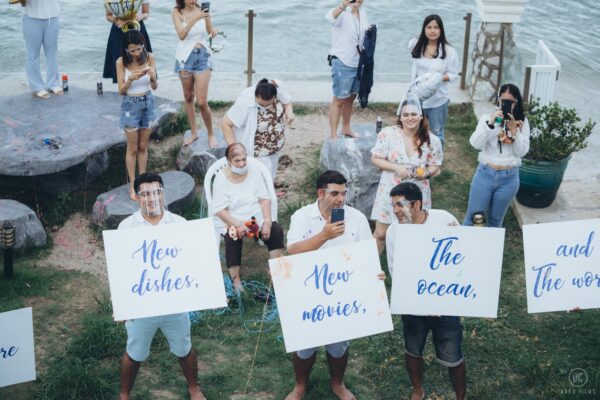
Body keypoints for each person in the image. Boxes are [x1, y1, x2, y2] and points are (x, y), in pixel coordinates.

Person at [285, 170, 376, 400]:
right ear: (320, 192)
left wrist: (373, 275)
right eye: (335, 193)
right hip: (308, 290)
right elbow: (292, 251)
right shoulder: (302, 216)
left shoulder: (357, 219)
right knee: (305, 345)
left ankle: (337, 383)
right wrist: (323, 236)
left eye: (344, 193)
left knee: (338, 344)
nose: (341, 199)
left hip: (342, 292)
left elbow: (367, 257)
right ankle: (300, 386)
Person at [118, 172, 205, 400]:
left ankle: (194, 388)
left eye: (156, 192)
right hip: (141, 304)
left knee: (184, 348)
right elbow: (121, 270)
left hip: (173, 302)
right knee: (134, 352)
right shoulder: (126, 228)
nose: (151, 198)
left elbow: (192, 262)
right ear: (137, 197)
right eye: (145, 193)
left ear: (162, 193)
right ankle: (124, 394)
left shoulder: (179, 224)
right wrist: (121, 304)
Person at [385, 182, 465, 400]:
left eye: (400, 205)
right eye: (393, 206)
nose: (395, 211)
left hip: (445, 302)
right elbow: (395, 271)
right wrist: (422, 301)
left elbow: (461, 259)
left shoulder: (444, 219)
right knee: (413, 348)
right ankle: (418, 389)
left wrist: (439, 299)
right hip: (413, 303)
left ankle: (461, 396)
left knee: (453, 353)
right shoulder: (394, 231)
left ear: (417, 204)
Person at [371, 97, 443, 254]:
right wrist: (396, 167)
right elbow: (375, 158)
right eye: (406, 115)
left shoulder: (432, 140)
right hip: (390, 189)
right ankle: (370, 271)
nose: (410, 118)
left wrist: (427, 173)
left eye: (414, 114)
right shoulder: (387, 134)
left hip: (416, 194)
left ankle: (411, 269)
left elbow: (437, 165)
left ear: (421, 116)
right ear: (400, 117)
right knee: (381, 234)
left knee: (414, 235)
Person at [212, 143, 285, 291]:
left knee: (276, 230)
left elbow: (264, 198)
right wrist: (238, 224)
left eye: (244, 159)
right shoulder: (221, 178)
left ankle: (275, 273)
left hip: (254, 216)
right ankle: (236, 279)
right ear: (228, 161)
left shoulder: (254, 171)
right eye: (237, 161)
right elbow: (220, 210)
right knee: (232, 236)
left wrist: (267, 222)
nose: (242, 163)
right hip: (232, 218)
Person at [463, 83, 530, 227]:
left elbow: (522, 152)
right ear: (498, 100)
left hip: (509, 178)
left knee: (495, 221)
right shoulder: (487, 118)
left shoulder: (521, 123)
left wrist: (514, 133)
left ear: (516, 102)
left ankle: (488, 249)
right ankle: (460, 247)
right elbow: (475, 144)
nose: (505, 104)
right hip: (485, 174)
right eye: (502, 101)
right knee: (473, 217)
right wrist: (490, 124)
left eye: (510, 102)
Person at [221, 78, 295, 178]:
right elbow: (226, 123)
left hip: (275, 149)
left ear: (274, 96)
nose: (264, 107)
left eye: (267, 105)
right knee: (260, 182)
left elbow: (287, 101)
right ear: (255, 96)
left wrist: (289, 112)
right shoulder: (244, 102)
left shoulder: (277, 86)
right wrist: (235, 150)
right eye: (260, 104)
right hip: (257, 153)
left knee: (270, 177)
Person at [116, 30, 158, 201]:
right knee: (132, 148)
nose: (136, 53)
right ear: (126, 49)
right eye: (132, 50)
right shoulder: (121, 62)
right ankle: (133, 186)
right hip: (130, 105)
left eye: (138, 49)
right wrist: (131, 79)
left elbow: (154, 87)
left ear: (143, 46)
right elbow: (120, 90)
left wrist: (154, 78)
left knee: (143, 146)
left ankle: (143, 183)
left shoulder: (150, 58)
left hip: (148, 102)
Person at [172, 0, 219, 147]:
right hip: (185, 58)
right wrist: (195, 18)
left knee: (202, 102)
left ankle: (211, 134)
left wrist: (213, 31)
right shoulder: (177, 12)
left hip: (203, 56)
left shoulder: (203, 10)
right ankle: (194, 133)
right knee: (188, 97)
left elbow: (209, 30)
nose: (193, 0)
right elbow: (181, 35)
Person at [409, 14, 459, 146]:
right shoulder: (415, 45)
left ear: (441, 30)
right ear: (424, 29)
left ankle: (436, 163)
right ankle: (419, 158)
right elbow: (415, 67)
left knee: (437, 134)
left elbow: (454, 75)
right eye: (429, 27)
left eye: (436, 27)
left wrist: (436, 79)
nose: (432, 30)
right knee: (416, 130)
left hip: (438, 100)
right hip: (417, 98)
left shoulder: (449, 51)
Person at [326, 0, 369, 140]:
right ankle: (333, 134)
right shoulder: (342, 13)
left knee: (351, 98)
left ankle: (346, 128)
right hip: (342, 61)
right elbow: (330, 17)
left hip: (359, 63)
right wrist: (343, 5)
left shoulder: (364, 14)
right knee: (339, 100)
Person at [103, 0, 153, 84]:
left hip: (138, 28)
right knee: (120, 62)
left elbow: (146, 13)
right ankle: (124, 89)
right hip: (118, 30)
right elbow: (108, 16)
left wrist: (140, 17)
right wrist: (116, 21)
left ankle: (141, 88)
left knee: (142, 60)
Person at [21, 0, 62, 99]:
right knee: (33, 54)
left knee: (52, 52)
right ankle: (36, 87)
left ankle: (53, 83)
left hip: (52, 16)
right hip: (31, 17)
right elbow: (22, 3)